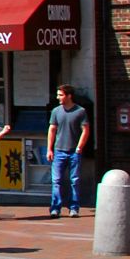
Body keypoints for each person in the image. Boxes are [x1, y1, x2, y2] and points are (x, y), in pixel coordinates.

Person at [47, 84, 89, 219]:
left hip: (73, 151)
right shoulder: (56, 111)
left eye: (61, 95)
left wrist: (79, 148)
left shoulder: (80, 111)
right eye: (58, 95)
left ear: (69, 96)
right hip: (59, 150)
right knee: (56, 180)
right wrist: (49, 149)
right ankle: (55, 208)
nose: (58, 97)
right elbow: (52, 130)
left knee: (74, 180)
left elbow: (85, 130)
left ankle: (74, 208)